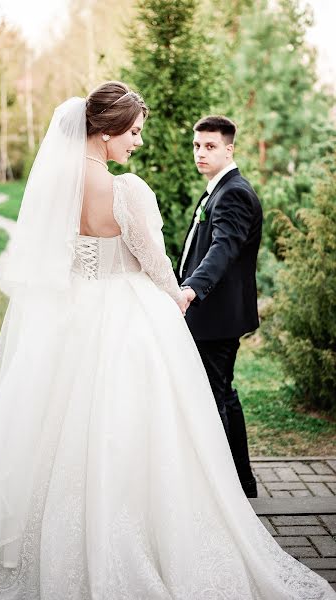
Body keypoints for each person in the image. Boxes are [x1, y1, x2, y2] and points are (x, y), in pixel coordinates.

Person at [0, 82, 334, 600]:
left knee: (52, 424)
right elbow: (155, 261)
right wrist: (177, 297)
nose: (138, 143)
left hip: (68, 317)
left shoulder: (57, 182)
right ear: (105, 132)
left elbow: (53, 255)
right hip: (125, 316)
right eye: (133, 132)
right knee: (132, 426)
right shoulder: (127, 190)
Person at [178, 116, 261, 498]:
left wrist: (193, 288)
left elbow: (223, 247)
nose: (200, 152)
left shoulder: (234, 193)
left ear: (229, 148)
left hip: (216, 316)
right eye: (197, 145)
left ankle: (230, 489)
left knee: (216, 397)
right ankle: (241, 483)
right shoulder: (218, 189)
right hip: (214, 315)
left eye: (209, 146)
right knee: (222, 394)